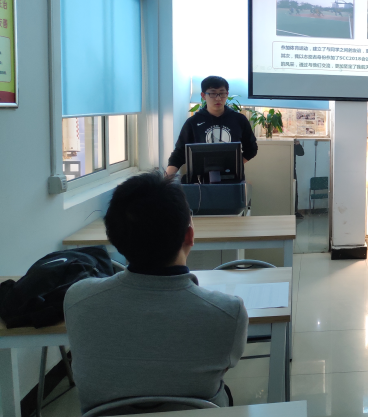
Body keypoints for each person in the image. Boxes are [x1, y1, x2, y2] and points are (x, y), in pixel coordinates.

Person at [64, 171, 248, 414]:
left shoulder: (78, 299)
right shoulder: (229, 313)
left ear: (114, 236)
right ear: (190, 235)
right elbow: (225, 364)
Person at [166, 76, 258, 178]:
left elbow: (251, 149)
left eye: (222, 93)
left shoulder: (239, 120)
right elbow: (179, 153)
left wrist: (235, 164)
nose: (218, 98)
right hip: (200, 180)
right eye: (213, 93)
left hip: (232, 178)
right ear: (203, 96)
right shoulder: (193, 122)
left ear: (227, 94)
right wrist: (166, 179)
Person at [293, 138, 305, 218]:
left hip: (291, 169)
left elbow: (301, 153)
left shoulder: (294, 144)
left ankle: (295, 211)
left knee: (294, 190)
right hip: (281, 167)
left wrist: (297, 144)